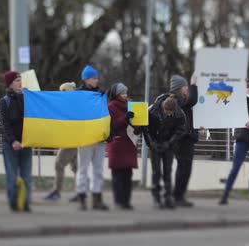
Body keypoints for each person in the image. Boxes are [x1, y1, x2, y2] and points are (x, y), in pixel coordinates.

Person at [161, 75, 198, 207]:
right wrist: (194, 85)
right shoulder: (176, 99)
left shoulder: (179, 100)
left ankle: (177, 195)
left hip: (184, 137)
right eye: (185, 86)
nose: (187, 89)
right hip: (182, 139)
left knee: (183, 167)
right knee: (184, 167)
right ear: (178, 89)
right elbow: (192, 100)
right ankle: (178, 196)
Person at [75, 65, 109, 211]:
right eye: (94, 78)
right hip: (84, 138)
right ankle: (82, 197)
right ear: (86, 79)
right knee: (83, 169)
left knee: (98, 169)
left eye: (96, 77)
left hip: (99, 138)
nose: (96, 80)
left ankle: (97, 198)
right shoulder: (77, 94)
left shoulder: (101, 95)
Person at [144, 94, 186, 209]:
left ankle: (167, 197)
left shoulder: (179, 113)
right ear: (163, 108)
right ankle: (156, 198)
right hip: (155, 144)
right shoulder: (151, 111)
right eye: (168, 113)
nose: (170, 115)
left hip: (169, 145)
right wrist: (151, 144)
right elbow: (146, 129)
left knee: (167, 171)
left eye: (171, 113)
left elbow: (181, 130)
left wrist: (170, 143)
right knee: (156, 171)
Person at [0, 71, 33, 212]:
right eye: (18, 80)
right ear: (10, 83)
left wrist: (31, 97)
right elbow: (5, 124)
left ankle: (25, 203)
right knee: (12, 177)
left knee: (26, 176)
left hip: (26, 143)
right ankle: (13, 203)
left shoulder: (26, 99)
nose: (21, 83)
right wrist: (13, 141)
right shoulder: (4, 102)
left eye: (21, 80)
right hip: (10, 145)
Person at [107, 82, 139, 210]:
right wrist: (125, 118)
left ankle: (126, 201)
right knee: (118, 175)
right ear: (116, 94)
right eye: (122, 93)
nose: (125, 95)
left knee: (127, 174)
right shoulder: (111, 107)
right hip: (118, 144)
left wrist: (140, 126)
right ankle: (119, 201)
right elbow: (113, 125)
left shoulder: (130, 106)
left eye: (126, 92)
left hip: (129, 144)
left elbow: (135, 124)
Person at [44, 82, 78, 202]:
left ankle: (57, 191)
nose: (61, 94)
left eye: (63, 91)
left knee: (59, 164)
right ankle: (80, 191)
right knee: (76, 167)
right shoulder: (71, 105)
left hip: (71, 140)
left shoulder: (70, 105)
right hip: (74, 139)